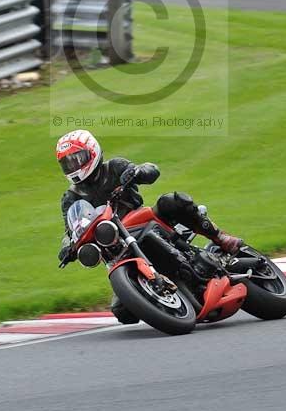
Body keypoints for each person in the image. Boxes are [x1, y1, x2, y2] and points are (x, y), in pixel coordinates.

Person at [56, 129, 243, 323]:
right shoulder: (70, 197)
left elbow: (151, 170)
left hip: (141, 220)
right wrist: (67, 247)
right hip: (115, 244)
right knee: (122, 311)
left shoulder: (114, 166)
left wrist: (138, 171)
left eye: (77, 158)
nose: (74, 165)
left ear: (92, 152)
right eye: (67, 163)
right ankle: (167, 303)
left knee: (171, 201)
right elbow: (71, 228)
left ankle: (220, 238)